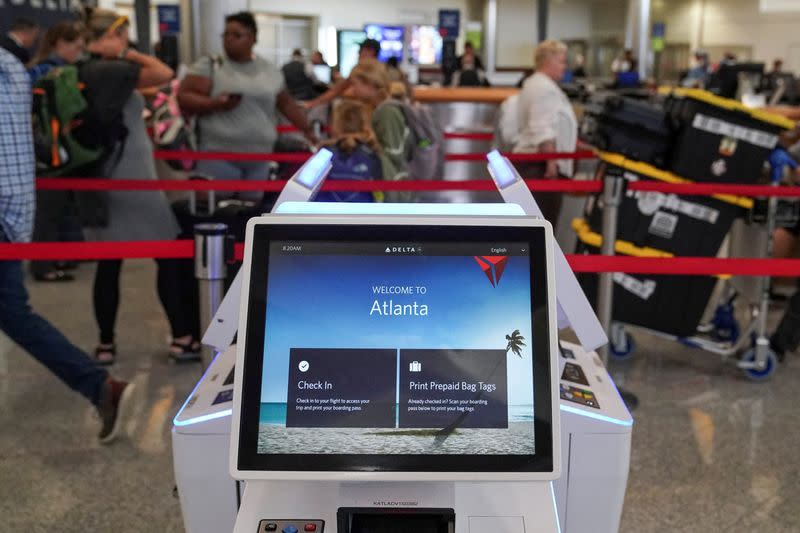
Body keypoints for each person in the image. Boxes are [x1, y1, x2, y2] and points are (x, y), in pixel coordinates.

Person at [0, 47, 133, 444]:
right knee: (13, 312)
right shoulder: (9, 64)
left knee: (13, 311)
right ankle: (98, 386)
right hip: (13, 209)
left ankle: (97, 385)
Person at [81, 9, 199, 364]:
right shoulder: (116, 68)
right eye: (123, 34)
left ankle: (106, 343)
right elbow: (164, 74)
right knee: (165, 252)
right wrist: (128, 51)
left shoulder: (88, 71)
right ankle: (181, 336)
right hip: (133, 171)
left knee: (109, 263)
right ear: (112, 36)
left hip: (105, 171)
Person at [178, 11, 316, 201]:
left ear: (252, 38)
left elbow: (286, 104)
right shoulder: (211, 65)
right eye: (225, 34)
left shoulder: (269, 70)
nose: (229, 40)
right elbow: (184, 96)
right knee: (218, 215)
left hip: (260, 158)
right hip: (218, 155)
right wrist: (215, 104)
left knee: (251, 214)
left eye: (236, 35)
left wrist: (308, 131)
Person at [27, 21, 87, 283]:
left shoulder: (37, 71)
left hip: (48, 149)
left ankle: (57, 257)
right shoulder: (55, 73)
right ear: (60, 44)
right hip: (49, 151)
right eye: (76, 46)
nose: (79, 52)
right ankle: (44, 265)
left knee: (59, 206)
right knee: (49, 210)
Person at [513, 39, 578, 224]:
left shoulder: (534, 84)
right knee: (544, 229)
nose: (564, 67)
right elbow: (543, 129)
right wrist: (552, 166)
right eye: (561, 61)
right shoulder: (544, 89)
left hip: (532, 166)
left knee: (534, 229)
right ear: (548, 61)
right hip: (541, 168)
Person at [348, 58, 414, 186]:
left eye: (355, 84)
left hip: (394, 187)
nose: (352, 90)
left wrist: (369, 145)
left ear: (370, 83)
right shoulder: (379, 108)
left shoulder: (387, 112)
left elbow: (395, 154)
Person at [316, 100, 382, 203]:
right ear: (364, 125)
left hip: (326, 214)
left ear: (335, 125)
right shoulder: (372, 153)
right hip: (364, 213)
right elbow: (380, 193)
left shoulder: (323, 153)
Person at [303, 38, 381, 110]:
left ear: (370, 51)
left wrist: (312, 104)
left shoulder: (363, 70)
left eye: (361, 50)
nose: (359, 53)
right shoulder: (377, 69)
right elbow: (339, 89)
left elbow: (338, 91)